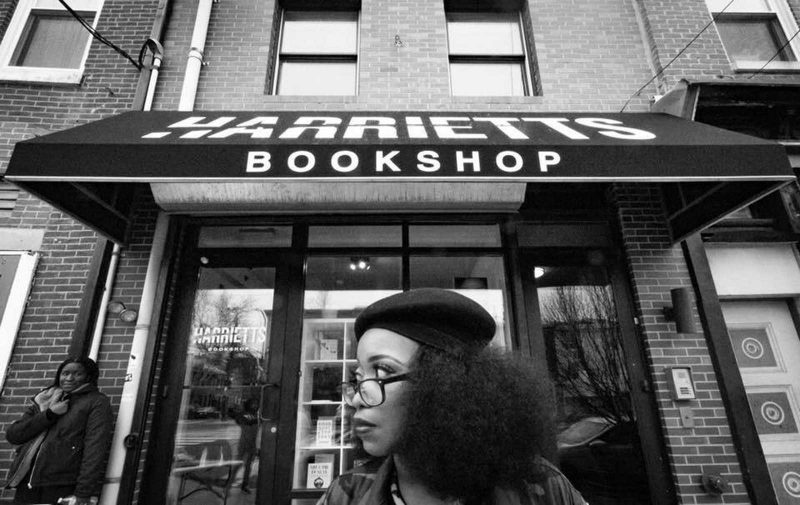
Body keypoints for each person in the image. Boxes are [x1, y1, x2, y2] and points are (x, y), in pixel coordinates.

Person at [318, 288, 586, 505]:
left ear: (448, 385)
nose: (356, 399)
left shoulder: (542, 490)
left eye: (382, 370)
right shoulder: (346, 495)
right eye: (358, 377)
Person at [5, 357, 113, 505]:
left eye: (77, 374)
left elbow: (95, 450)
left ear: (88, 377)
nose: (69, 378)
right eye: (65, 373)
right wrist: (49, 414)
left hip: (61, 485)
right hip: (27, 481)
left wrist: (83, 493)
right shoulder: (45, 399)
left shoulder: (96, 402)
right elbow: (14, 435)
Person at [236, 398, 260, 494]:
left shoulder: (253, 416)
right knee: (239, 464)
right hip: (246, 444)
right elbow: (248, 432)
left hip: (250, 444)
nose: (255, 406)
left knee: (247, 466)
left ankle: (244, 484)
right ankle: (239, 484)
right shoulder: (247, 416)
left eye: (256, 404)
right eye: (254, 404)